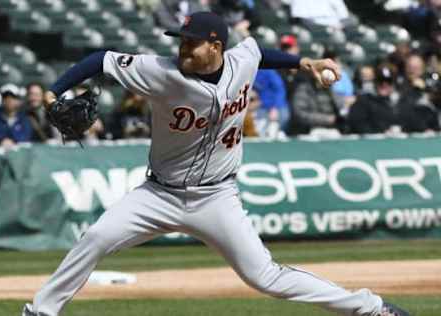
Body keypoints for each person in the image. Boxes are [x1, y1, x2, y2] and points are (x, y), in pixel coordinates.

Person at [22, 11, 409, 316]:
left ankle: (370, 308)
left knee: (265, 276)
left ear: (216, 45)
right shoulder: (159, 71)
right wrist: (55, 91)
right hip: (158, 194)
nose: (182, 50)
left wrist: (303, 61)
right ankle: (41, 312)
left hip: (216, 198)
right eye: (181, 42)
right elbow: (99, 59)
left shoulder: (242, 60)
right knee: (96, 238)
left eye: (191, 44)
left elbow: (260, 54)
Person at [347, 64, 400, 134]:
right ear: (375, 81)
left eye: (388, 81)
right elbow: (357, 124)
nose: (384, 84)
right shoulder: (363, 100)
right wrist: (382, 132)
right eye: (381, 80)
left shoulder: (400, 101)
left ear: (393, 83)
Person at [0, 83, 32, 149]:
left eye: (13, 97)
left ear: (18, 100)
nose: (9, 100)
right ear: (2, 100)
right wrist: (2, 140)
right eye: (5, 97)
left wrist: (12, 141)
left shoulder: (24, 118)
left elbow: (26, 136)